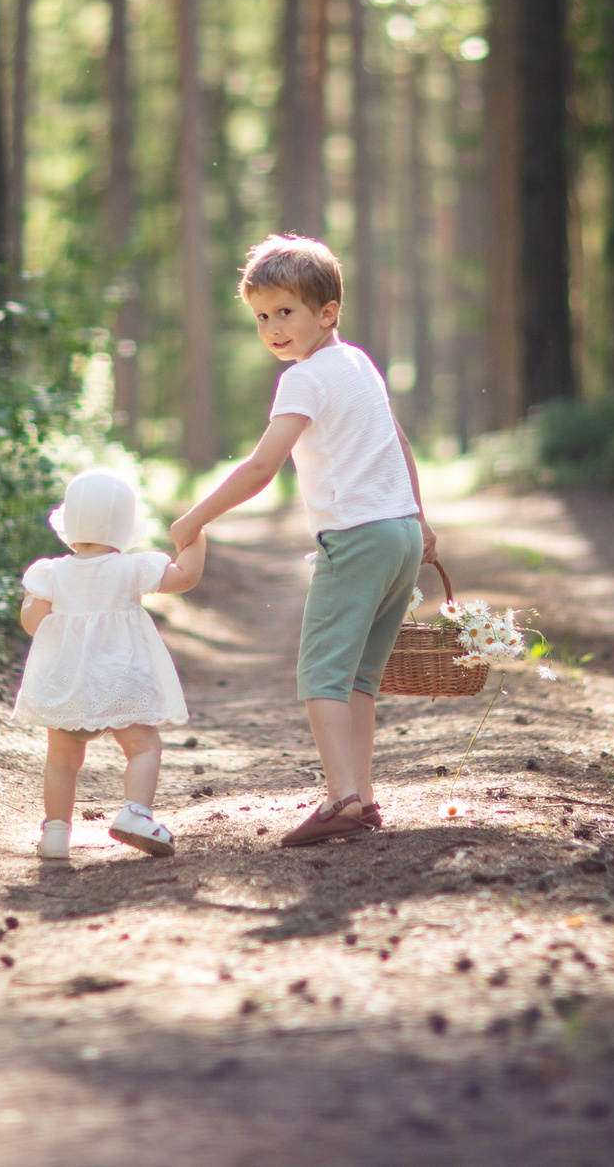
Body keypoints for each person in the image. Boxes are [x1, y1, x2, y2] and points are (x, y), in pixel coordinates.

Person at [171, 234, 437, 847]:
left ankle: (342, 798)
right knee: (360, 678)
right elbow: (397, 440)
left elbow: (262, 467)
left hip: (357, 538)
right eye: (261, 317)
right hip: (397, 534)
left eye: (284, 312)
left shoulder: (304, 379)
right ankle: (362, 797)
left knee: (321, 674)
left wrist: (194, 519)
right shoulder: (359, 364)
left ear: (328, 312)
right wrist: (419, 519)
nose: (272, 328)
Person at [15, 468, 203, 860]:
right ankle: (135, 813)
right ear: (126, 525)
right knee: (143, 747)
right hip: (123, 678)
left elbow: (33, 625)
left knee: (63, 761)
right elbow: (185, 578)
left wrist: (37, 600)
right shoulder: (133, 567)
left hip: (68, 682)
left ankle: (55, 833)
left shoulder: (52, 571)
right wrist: (195, 536)